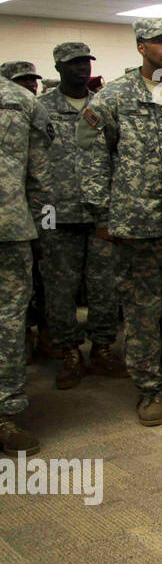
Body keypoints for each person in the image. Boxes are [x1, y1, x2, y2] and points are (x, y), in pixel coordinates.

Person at [76, 18, 162, 425]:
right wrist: (100, 212)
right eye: (161, 41)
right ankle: (150, 389)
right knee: (142, 310)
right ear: (141, 47)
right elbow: (92, 157)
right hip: (138, 223)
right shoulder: (113, 97)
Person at [29, 42, 128, 389]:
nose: (82, 68)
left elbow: (120, 154)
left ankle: (102, 348)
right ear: (58, 68)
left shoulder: (104, 105)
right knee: (60, 288)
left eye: (86, 62)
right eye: (74, 63)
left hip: (100, 212)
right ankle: (69, 351)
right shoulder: (39, 108)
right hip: (55, 214)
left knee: (104, 286)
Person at [0, 74, 40, 453]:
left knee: (9, 324)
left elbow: (39, 170)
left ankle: (5, 415)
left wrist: (44, 228)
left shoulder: (20, 100)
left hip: (10, 231)